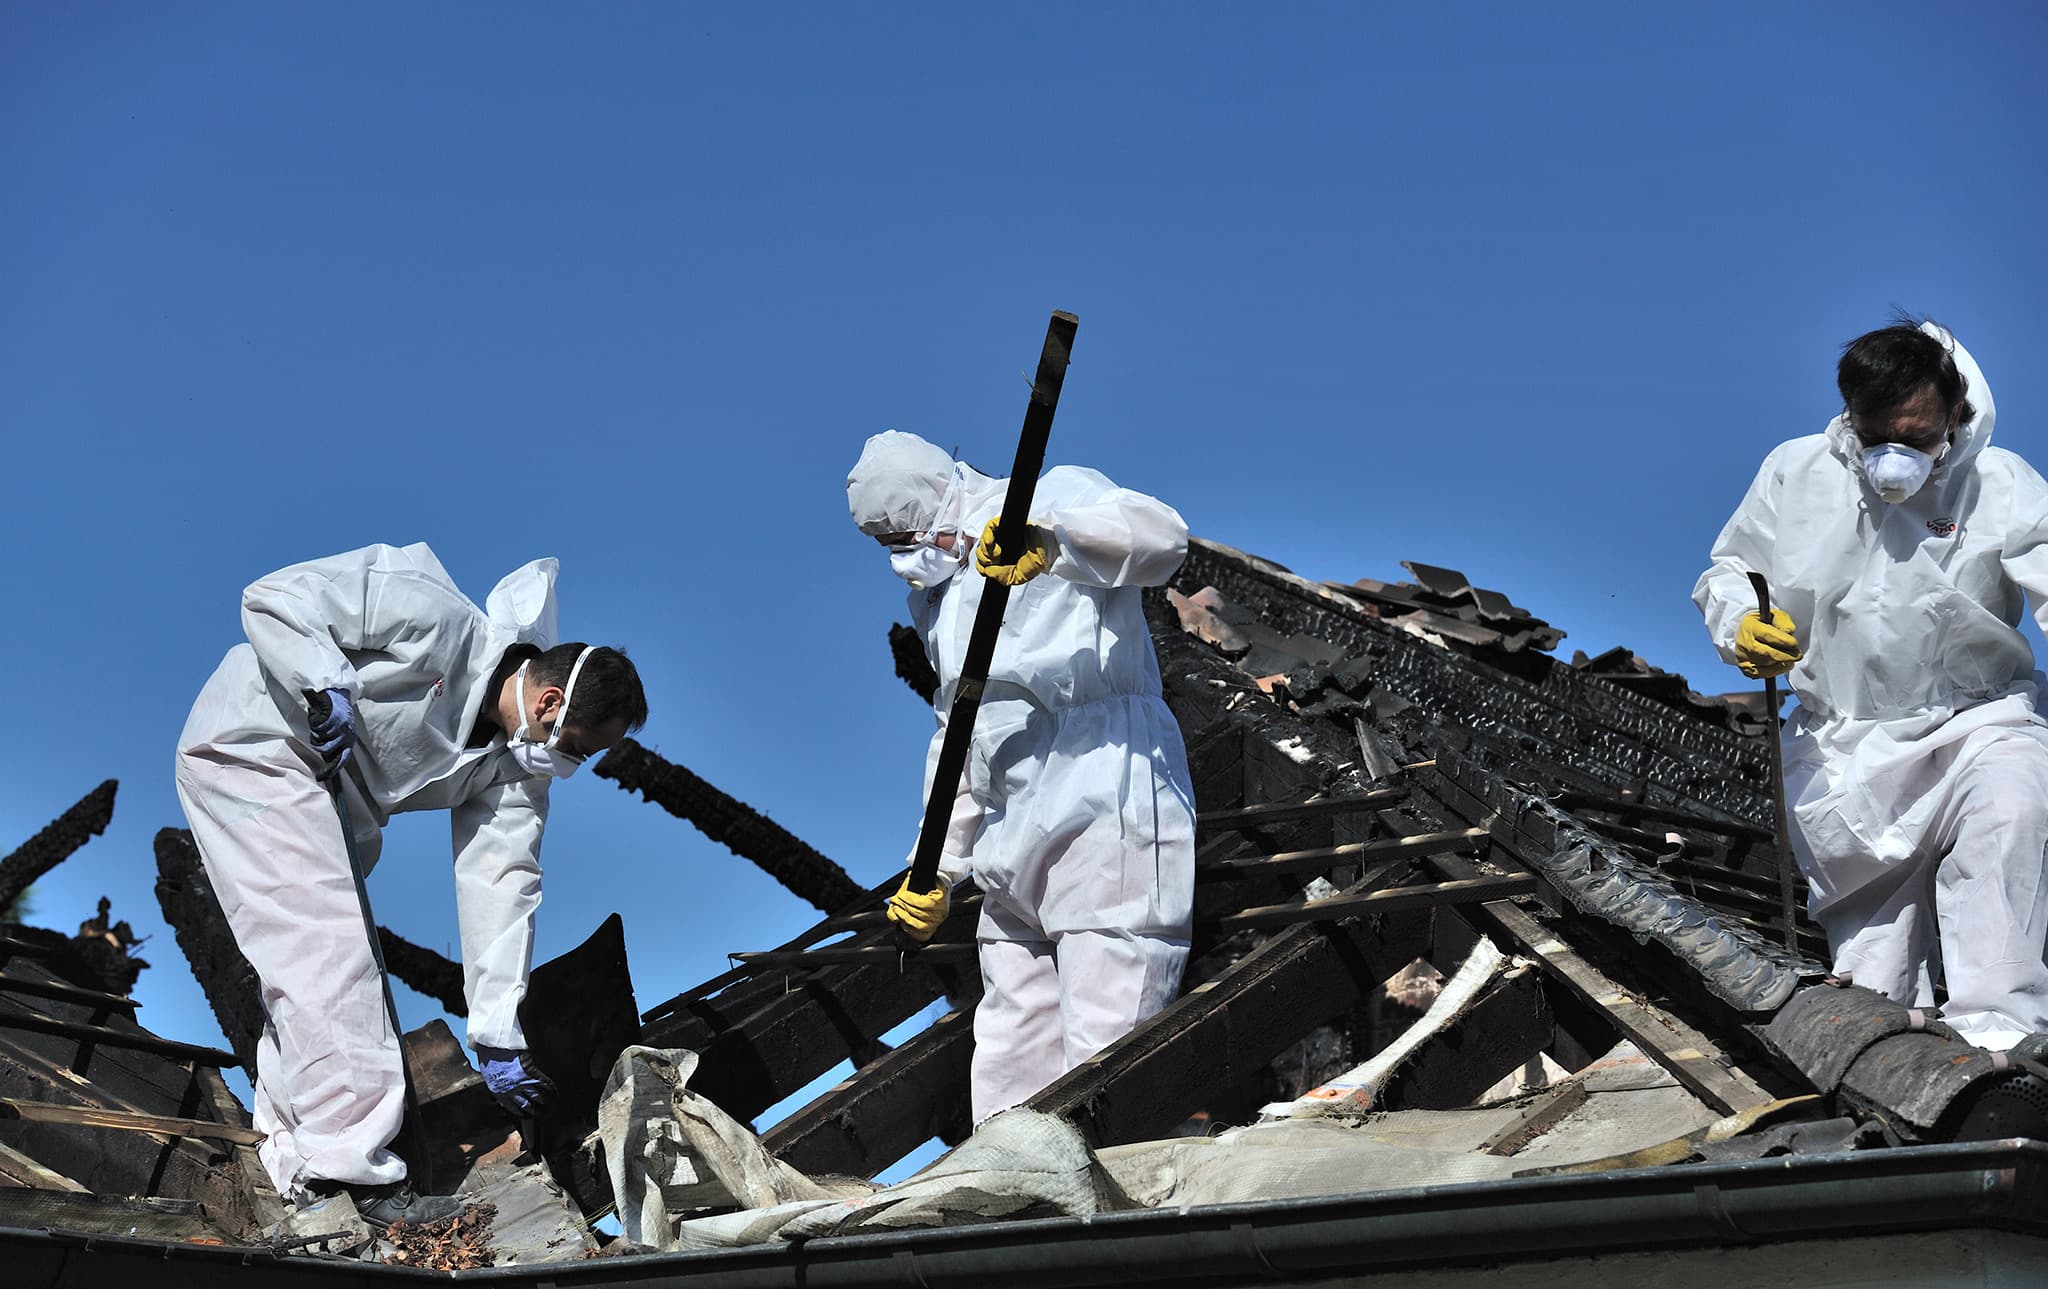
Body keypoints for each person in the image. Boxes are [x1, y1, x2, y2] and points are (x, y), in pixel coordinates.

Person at [174, 543, 648, 1224]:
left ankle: (302, 1163)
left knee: (305, 971)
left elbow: (503, 884)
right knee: (331, 957)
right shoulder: (426, 606)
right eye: (576, 745)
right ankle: (359, 1179)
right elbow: (273, 596)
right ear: (549, 701)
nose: (570, 763)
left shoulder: (515, 770)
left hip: (335, 803)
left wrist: (495, 1032)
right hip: (257, 744)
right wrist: (322, 681)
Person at [1694, 318, 2048, 1058]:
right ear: (1850, 415)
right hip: (1842, 749)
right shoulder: (1796, 472)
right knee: (1873, 977)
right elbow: (1731, 572)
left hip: (1975, 725)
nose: (1894, 457)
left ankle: (2003, 1050)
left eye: (1916, 436)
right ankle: (1898, 1085)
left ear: (1955, 415)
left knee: (2010, 819)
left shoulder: (2001, 483)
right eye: (1876, 432)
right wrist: (1741, 627)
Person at [846, 431, 1197, 1122]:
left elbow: (1165, 540)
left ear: (942, 494)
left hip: (1103, 793)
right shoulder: (938, 600)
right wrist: (934, 868)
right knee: (1009, 1063)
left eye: (909, 532)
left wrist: (1056, 539)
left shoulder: (1053, 494)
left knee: (1105, 1062)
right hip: (1009, 832)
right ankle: (1005, 1209)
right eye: (888, 543)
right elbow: (960, 730)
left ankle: (1100, 1220)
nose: (904, 555)